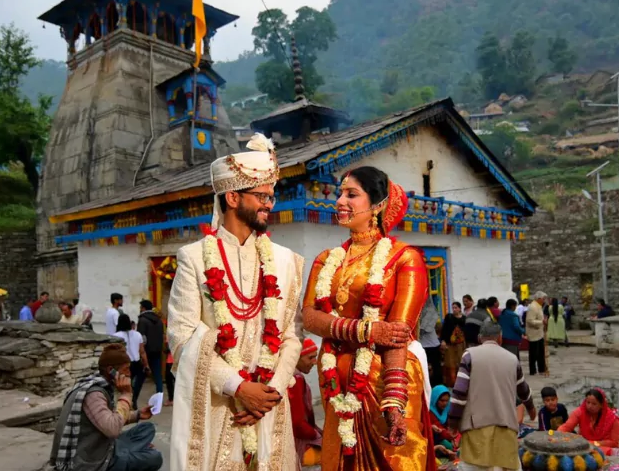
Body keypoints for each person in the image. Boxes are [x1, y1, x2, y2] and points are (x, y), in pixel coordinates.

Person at [167, 133, 304, 471]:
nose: (269, 204)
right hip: (219, 407)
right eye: (261, 196)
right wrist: (239, 387)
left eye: (271, 196)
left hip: (269, 406)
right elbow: (183, 340)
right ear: (232, 197)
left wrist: (267, 394)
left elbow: (291, 335)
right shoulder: (194, 258)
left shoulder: (287, 262)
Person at [301, 166, 435, 471]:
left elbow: (397, 336)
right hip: (336, 382)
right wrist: (364, 330)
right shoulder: (326, 259)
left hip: (385, 383)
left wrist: (394, 404)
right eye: (339, 193)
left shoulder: (403, 258)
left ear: (377, 204)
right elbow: (309, 316)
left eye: (351, 194)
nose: (339, 201)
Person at [48, 343, 161, 471]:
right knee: (155, 457)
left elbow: (110, 417)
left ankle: (130, 451)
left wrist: (138, 415)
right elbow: (113, 429)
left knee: (147, 428)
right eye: (126, 369)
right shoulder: (93, 395)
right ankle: (129, 454)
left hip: (103, 444)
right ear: (111, 370)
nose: (129, 374)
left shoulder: (101, 385)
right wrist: (126, 394)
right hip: (92, 460)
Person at [448, 321, 535, 471]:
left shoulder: (470, 355)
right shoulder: (512, 359)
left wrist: (453, 423)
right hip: (505, 427)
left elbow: (459, 394)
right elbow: (523, 390)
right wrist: (531, 408)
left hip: (476, 428)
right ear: (500, 338)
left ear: (480, 338)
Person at [288, 339, 323, 469]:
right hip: (297, 444)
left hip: (297, 437)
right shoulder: (294, 380)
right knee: (335, 454)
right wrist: (317, 436)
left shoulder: (290, 375)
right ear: (296, 358)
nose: (314, 362)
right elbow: (297, 424)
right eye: (310, 358)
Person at [558, 388, 619, 454]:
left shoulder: (613, 419)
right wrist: (555, 435)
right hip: (584, 447)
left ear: (601, 405)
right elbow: (566, 427)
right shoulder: (580, 412)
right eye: (588, 402)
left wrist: (591, 443)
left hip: (603, 449)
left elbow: (614, 442)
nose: (590, 406)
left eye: (594, 404)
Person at [113, 313, 149, 409]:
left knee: (125, 386)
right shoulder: (137, 334)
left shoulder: (115, 336)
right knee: (136, 384)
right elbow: (142, 352)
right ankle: (134, 399)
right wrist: (146, 365)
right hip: (136, 363)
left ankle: (126, 403)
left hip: (123, 365)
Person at [136, 300, 166, 404]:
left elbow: (141, 339)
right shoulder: (159, 321)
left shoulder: (142, 320)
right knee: (158, 377)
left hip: (146, 352)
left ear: (143, 308)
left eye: (140, 307)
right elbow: (163, 336)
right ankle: (159, 400)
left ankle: (133, 400)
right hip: (157, 351)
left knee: (140, 378)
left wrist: (141, 353)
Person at [429, 385, 460, 464]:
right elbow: (440, 430)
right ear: (435, 400)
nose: (445, 403)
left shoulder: (447, 409)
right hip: (434, 440)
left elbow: (450, 425)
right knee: (450, 447)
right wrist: (451, 436)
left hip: (446, 436)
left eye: (447, 401)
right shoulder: (430, 412)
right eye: (442, 401)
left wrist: (454, 437)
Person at [440, 301, 467, 386]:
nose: (454, 309)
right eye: (453, 308)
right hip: (450, 344)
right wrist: (443, 340)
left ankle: (461, 382)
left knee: (460, 361)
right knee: (450, 362)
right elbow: (444, 330)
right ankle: (451, 382)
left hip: (460, 345)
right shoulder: (449, 317)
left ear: (459, 308)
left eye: (456, 308)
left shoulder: (464, 319)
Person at [419, 297, 443, 388]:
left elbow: (425, 328)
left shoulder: (430, 311)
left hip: (430, 345)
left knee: (435, 368)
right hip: (425, 344)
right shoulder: (425, 311)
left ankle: (436, 386)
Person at [526, 291, 547, 377]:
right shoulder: (533, 307)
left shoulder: (538, 306)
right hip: (534, 333)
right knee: (534, 353)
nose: (544, 300)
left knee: (541, 352)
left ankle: (541, 369)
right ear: (538, 299)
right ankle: (533, 370)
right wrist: (541, 322)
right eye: (543, 298)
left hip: (539, 332)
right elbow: (530, 320)